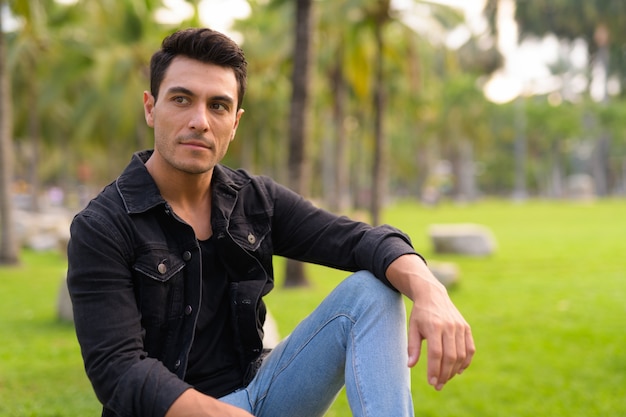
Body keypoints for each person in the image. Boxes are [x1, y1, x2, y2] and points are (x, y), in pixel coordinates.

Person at [67, 27, 475, 417]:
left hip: (258, 396)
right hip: (170, 412)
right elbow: (119, 370)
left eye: (218, 106)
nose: (200, 121)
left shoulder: (254, 200)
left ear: (235, 122)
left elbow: (357, 241)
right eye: (181, 99)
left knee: (373, 291)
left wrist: (430, 292)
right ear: (150, 108)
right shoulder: (103, 225)